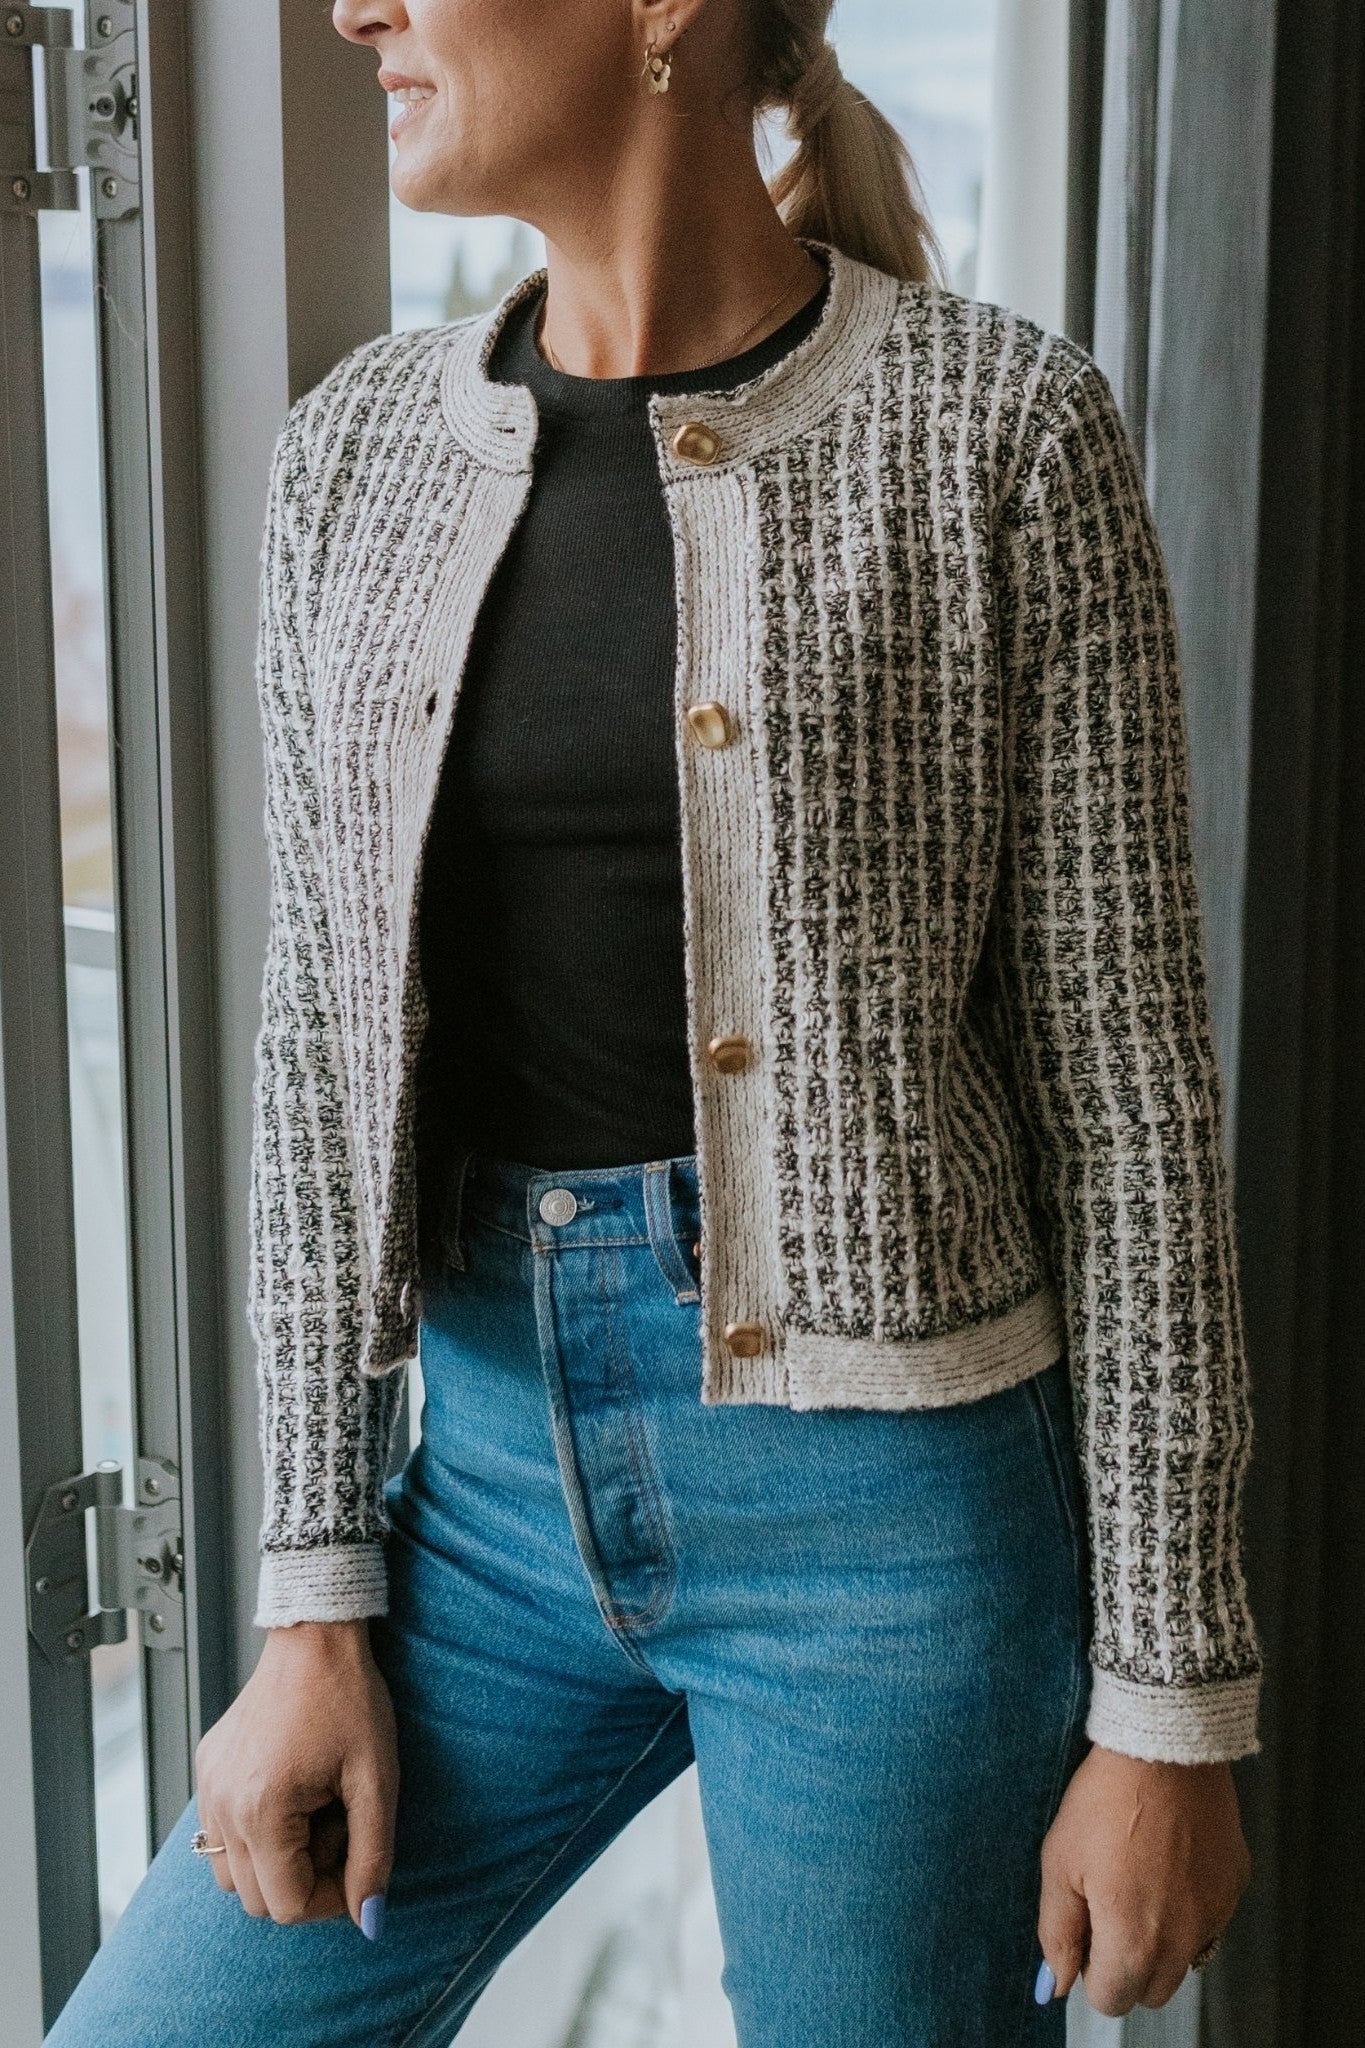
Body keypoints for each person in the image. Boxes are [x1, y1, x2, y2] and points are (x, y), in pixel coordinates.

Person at [47, 0, 1261, 2042]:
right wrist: (312, 1590)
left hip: (891, 1535)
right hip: (488, 1492)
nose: (356, 9)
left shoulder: (996, 432)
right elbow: (313, 1075)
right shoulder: (351, 457)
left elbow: (1129, 1109)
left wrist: (1170, 1702)